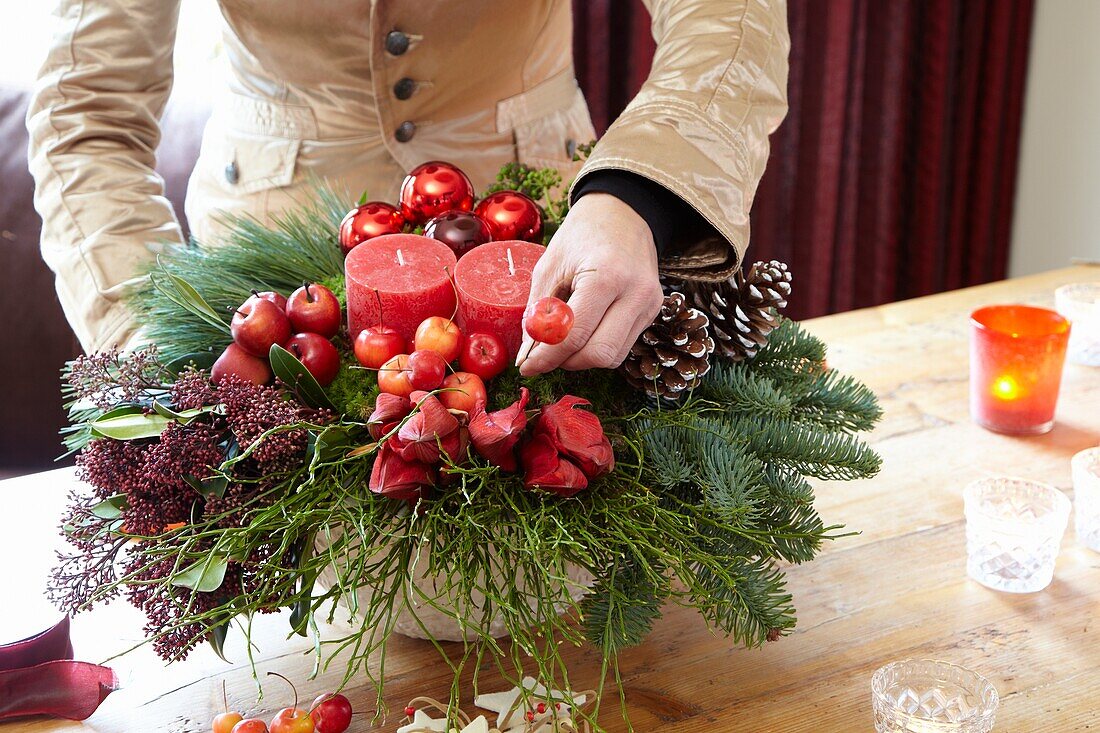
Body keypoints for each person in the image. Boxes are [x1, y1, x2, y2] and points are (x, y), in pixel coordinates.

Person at [27, 0, 789, 376]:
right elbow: (84, 107)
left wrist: (636, 194)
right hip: (269, 285)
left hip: (551, 247)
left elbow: (729, 18)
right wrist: (154, 349)